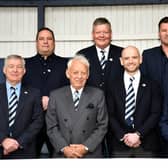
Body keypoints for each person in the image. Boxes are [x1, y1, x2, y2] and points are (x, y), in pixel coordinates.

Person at [46, 55, 108, 158]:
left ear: (88, 75)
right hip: (63, 154)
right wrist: (65, 148)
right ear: (67, 73)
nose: (79, 76)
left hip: (90, 154)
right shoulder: (55, 95)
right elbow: (51, 126)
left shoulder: (98, 94)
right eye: (75, 72)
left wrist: (85, 147)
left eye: (83, 73)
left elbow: (102, 125)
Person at [106, 46, 162, 157]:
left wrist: (138, 134)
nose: (131, 61)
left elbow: (155, 113)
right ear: (121, 61)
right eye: (126, 58)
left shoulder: (153, 84)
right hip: (120, 145)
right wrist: (124, 136)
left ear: (140, 59)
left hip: (146, 144)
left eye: (134, 57)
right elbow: (110, 114)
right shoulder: (112, 85)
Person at [23, 27, 69, 157]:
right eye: (41, 39)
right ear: (36, 42)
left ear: (54, 42)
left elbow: (70, 91)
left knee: (60, 160)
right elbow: (21, 93)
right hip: (31, 124)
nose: (45, 42)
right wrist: (38, 101)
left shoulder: (65, 64)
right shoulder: (25, 65)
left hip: (58, 124)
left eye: (49, 39)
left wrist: (53, 100)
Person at [0, 55, 43, 159]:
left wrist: (18, 143)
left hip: (24, 150)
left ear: (24, 71)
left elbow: (38, 121)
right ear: (4, 70)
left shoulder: (34, 93)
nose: (15, 70)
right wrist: (3, 140)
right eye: (11, 66)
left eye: (19, 67)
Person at [140, 16, 168, 157]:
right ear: (159, 34)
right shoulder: (148, 55)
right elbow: (142, 87)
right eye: (164, 30)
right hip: (153, 119)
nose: (167, 33)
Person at [77, 17, 123, 91]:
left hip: (116, 101)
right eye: (98, 32)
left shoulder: (122, 53)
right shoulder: (82, 55)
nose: (102, 35)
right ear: (92, 35)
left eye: (105, 32)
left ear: (111, 34)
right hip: (90, 101)